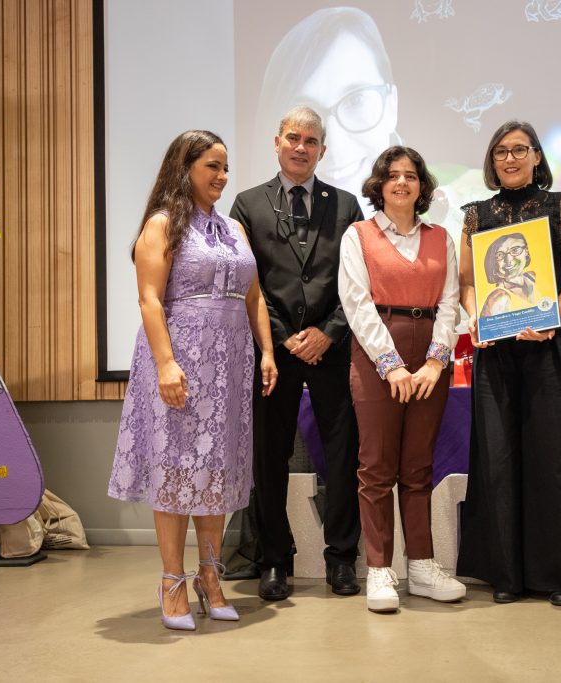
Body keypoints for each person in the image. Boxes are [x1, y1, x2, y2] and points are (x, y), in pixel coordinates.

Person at [107, 130, 278, 630]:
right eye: (212, 166)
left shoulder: (233, 229)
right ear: (185, 167)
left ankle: (210, 575)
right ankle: (171, 580)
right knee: (177, 470)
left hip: (229, 365)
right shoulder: (161, 225)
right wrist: (165, 363)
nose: (223, 176)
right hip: (181, 360)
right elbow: (149, 300)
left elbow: (254, 298)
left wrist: (267, 351)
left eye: (226, 167)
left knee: (217, 471)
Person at [456, 121, 561, 606]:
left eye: (519, 150)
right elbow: (468, 284)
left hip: (550, 346)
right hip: (497, 354)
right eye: (501, 151)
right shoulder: (475, 216)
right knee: (499, 460)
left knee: (557, 459)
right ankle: (506, 575)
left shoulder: (560, 207)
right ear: (492, 160)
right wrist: (476, 318)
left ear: (536, 157)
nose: (510, 158)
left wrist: (552, 314)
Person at [229, 107, 364, 600]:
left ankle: (342, 560)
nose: (301, 146)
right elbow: (248, 283)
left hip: (334, 349)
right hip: (272, 351)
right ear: (277, 142)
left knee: (343, 455)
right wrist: (283, 336)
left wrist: (328, 331)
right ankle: (272, 562)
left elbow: (357, 282)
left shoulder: (347, 206)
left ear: (322, 151)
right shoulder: (246, 205)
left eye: (311, 140)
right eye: (293, 137)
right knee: (269, 457)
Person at [338, 146, 466, 612]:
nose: (401, 183)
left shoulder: (441, 238)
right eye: (392, 176)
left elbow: (450, 302)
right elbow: (356, 303)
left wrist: (434, 362)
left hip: (430, 350)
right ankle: (379, 570)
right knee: (376, 468)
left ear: (422, 186)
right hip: (377, 352)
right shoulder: (358, 235)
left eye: (411, 176)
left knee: (417, 469)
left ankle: (422, 566)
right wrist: (391, 365)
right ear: (379, 185)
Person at [252, 7, 399, 216]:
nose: (334, 147)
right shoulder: (254, 209)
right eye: (308, 113)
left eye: (356, 100)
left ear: (392, 103)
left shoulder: (452, 199)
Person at [479, 232, 536, 316]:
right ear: (493, 263)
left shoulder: (531, 277)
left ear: (526, 251)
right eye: (499, 255)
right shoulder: (499, 297)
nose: (508, 260)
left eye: (515, 250)